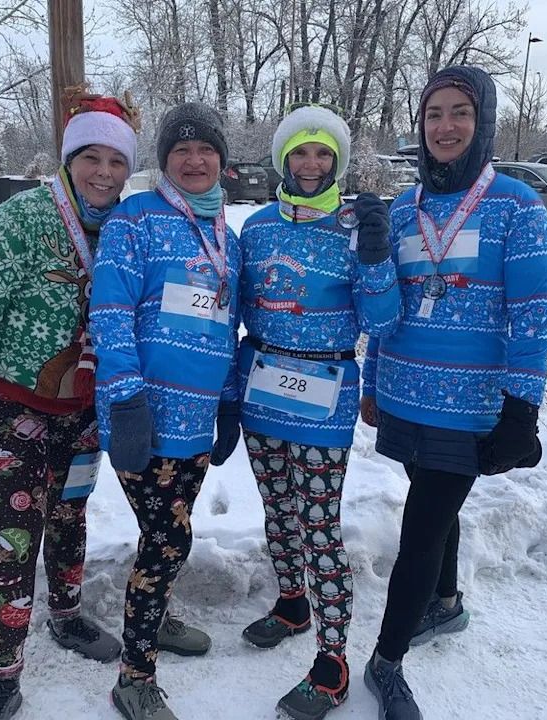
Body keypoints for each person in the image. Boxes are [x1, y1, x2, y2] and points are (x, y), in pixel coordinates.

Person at [359, 66, 547, 720]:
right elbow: (385, 306)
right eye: (433, 114)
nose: (444, 127)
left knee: (420, 528)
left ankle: (386, 662)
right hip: (405, 391)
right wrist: (370, 384)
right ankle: (443, 605)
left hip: (471, 408)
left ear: (483, 123)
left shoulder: (517, 206)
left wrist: (522, 409)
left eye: (459, 113)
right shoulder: (403, 207)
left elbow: (532, 313)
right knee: (432, 503)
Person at [0, 88, 140, 720]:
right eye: (91, 158)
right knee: (12, 544)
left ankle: (65, 615)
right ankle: (4, 678)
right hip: (14, 414)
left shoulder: (125, 226)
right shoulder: (22, 220)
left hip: (83, 415)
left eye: (116, 162)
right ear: (67, 159)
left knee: (70, 520)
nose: (104, 174)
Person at [225, 103, 400, 720]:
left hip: (325, 389)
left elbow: (381, 322)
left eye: (323, 153)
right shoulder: (258, 227)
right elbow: (236, 309)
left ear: (338, 161)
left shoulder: (357, 226)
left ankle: (333, 659)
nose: (310, 163)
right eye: (299, 151)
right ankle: (292, 603)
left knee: (319, 525)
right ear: (281, 158)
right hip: (264, 382)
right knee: (277, 511)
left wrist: (377, 258)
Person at [89, 102, 241, 720]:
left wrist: (228, 400)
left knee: (164, 538)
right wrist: (124, 399)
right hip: (143, 415)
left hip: (198, 417)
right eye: (181, 151)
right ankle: (135, 674)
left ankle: (161, 612)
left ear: (222, 162)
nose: (194, 159)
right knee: (170, 537)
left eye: (205, 150)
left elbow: (225, 323)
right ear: (165, 162)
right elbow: (110, 311)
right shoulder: (134, 220)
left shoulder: (226, 235)